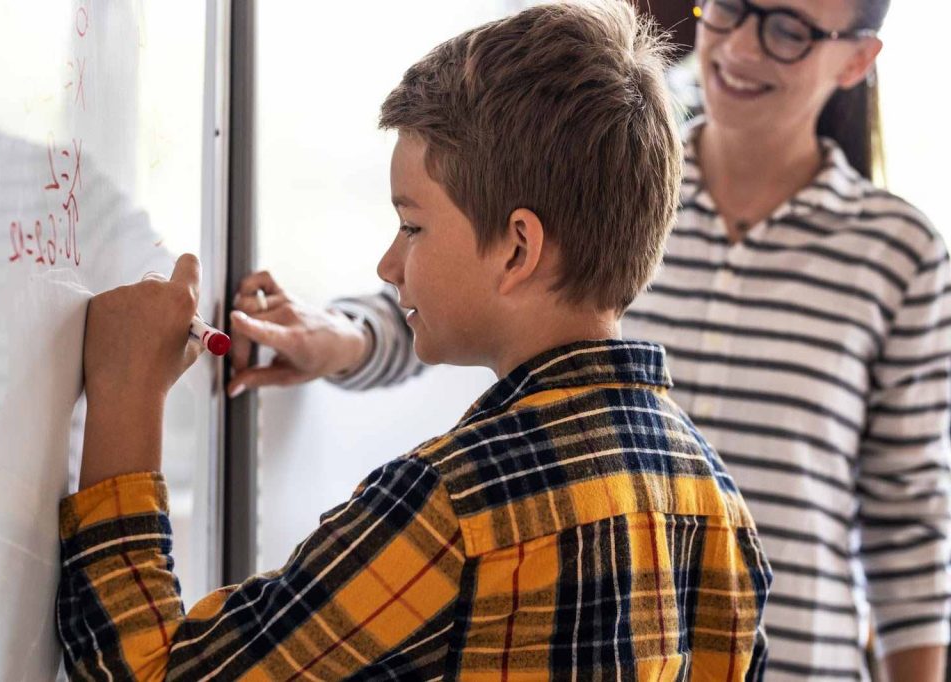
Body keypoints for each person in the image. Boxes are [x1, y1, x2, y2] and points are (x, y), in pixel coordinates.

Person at [228, 0, 951, 680]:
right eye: (728, 7)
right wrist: (340, 337)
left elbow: (908, 524)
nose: (736, 45)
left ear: (857, 60)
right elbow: (459, 284)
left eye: (787, 30)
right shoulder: (607, 167)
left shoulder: (898, 252)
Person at [56, 3, 771, 679]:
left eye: (413, 226)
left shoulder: (452, 508)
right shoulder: (717, 506)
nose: (389, 265)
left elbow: (152, 672)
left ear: (519, 249)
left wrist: (125, 393)